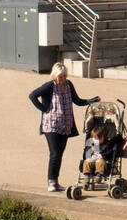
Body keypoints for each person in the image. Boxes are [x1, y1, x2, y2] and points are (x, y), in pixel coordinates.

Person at [28, 62, 99, 192]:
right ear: (55, 75)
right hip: (51, 125)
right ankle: (51, 182)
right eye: (60, 76)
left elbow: (77, 100)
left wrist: (91, 100)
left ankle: (56, 182)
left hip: (66, 124)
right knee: (54, 153)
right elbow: (32, 96)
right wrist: (44, 109)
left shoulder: (68, 85)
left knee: (59, 154)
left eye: (64, 76)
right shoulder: (50, 86)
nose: (63, 79)